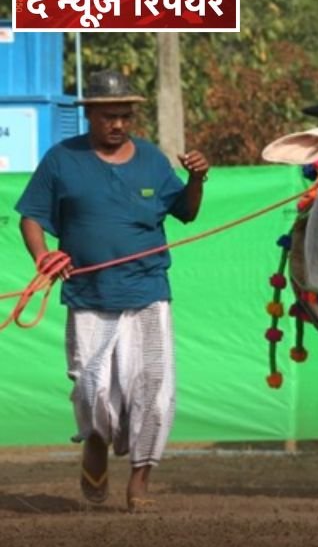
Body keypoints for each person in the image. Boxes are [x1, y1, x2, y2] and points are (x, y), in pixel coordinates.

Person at [15, 69, 211, 513]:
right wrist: (42, 256)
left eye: (124, 116)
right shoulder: (62, 159)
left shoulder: (152, 160)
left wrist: (197, 179)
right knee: (92, 388)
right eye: (108, 116)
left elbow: (186, 212)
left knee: (154, 388)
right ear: (89, 115)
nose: (117, 124)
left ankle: (140, 483)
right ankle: (97, 441)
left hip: (148, 291)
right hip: (88, 294)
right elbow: (32, 216)